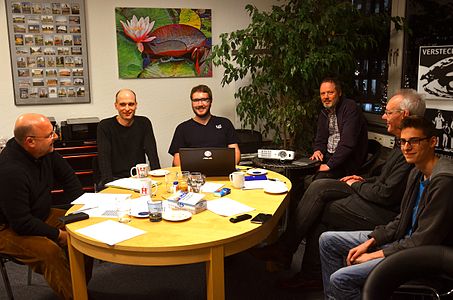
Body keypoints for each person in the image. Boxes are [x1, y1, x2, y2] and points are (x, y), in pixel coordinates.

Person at [251, 89, 425, 289]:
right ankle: (300, 263)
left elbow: (385, 194)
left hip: (386, 214)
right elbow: (384, 179)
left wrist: (358, 184)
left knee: (322, 206)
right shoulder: (401, 142)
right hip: (373, 194)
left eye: (388, 112)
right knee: (319, 186)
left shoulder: (411, 148)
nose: (384, 116)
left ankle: (292, 255)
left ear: (404, 115)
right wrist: (363, 179)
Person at [319, 116, 453, 300]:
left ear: (432, 142)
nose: (406, 147)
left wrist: (372, 255)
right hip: (402, 242)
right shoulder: (416, 171)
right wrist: (371, 241)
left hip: (422, 256)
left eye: (414, 141)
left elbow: (422, 241)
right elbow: (401, 219)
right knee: (327, 241)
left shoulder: (444, 181)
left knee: (340, 279)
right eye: (403, 142)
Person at [0, 113, 92, 299]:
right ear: (30, 141)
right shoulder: (10, 170)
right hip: (7, 228)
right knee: (50, 252)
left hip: (38, 215)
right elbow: (21, 223)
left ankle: (79, 290)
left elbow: (69, 180)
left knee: (84, 231)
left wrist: (85, 208)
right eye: (50, 135)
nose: (55, 137)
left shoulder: (45, 152)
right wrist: (58, 235)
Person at [97, 88, 160, 186]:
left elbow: (152, 155)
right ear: (116, 106)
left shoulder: (144, 123)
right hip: (115, 181)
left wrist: (158, 179)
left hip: (139, 179)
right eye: (122, 104)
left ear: (136, 105)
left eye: (131, 104)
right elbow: (104, 162)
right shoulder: (105, 126)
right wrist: (110, 186)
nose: (127, 109)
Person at [310, 78, 368, 179]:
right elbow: (320, 138)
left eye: (330, 92)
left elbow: (348, 143)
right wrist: (318, 150)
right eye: (322, 94)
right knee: (301, 172)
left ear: (339, 93)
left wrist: (329, 165)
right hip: (328, 156)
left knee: (319, 179)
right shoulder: (324, 112)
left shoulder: (350, 108)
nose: (326, 97)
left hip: (347, 162)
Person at [168, 84, 240, 166]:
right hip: (193, 176)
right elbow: (177, 159)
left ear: (211, 101)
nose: (200, 104)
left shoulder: (225, 123)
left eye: (204, 100)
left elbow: (235, 151)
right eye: (196, 100)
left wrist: (229, 168)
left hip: (222, 174)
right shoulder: (182, 128)